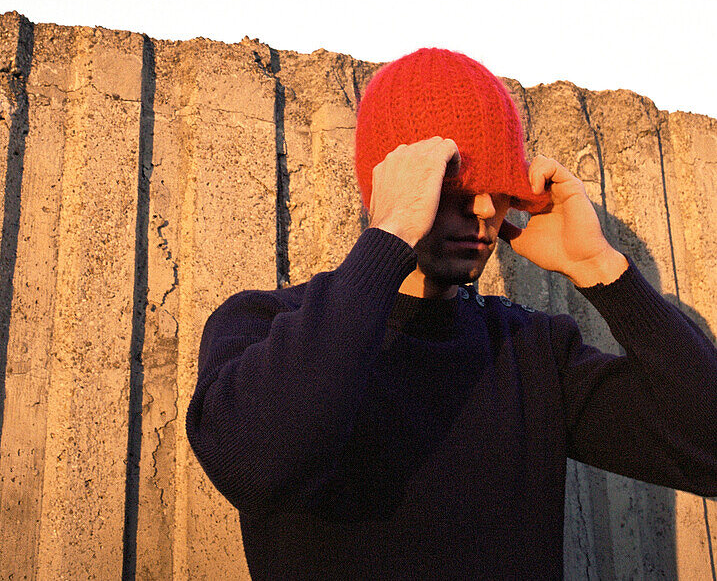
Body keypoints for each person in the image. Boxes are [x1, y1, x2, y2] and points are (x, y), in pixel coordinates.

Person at [186, 47, 717, 580]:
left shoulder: (531, 351)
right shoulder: (264, 326)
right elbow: (251, 463)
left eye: (501, 187)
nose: (485, 210)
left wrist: (604, 270)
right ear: (392, 182)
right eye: (456, 185)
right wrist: (389, 235)